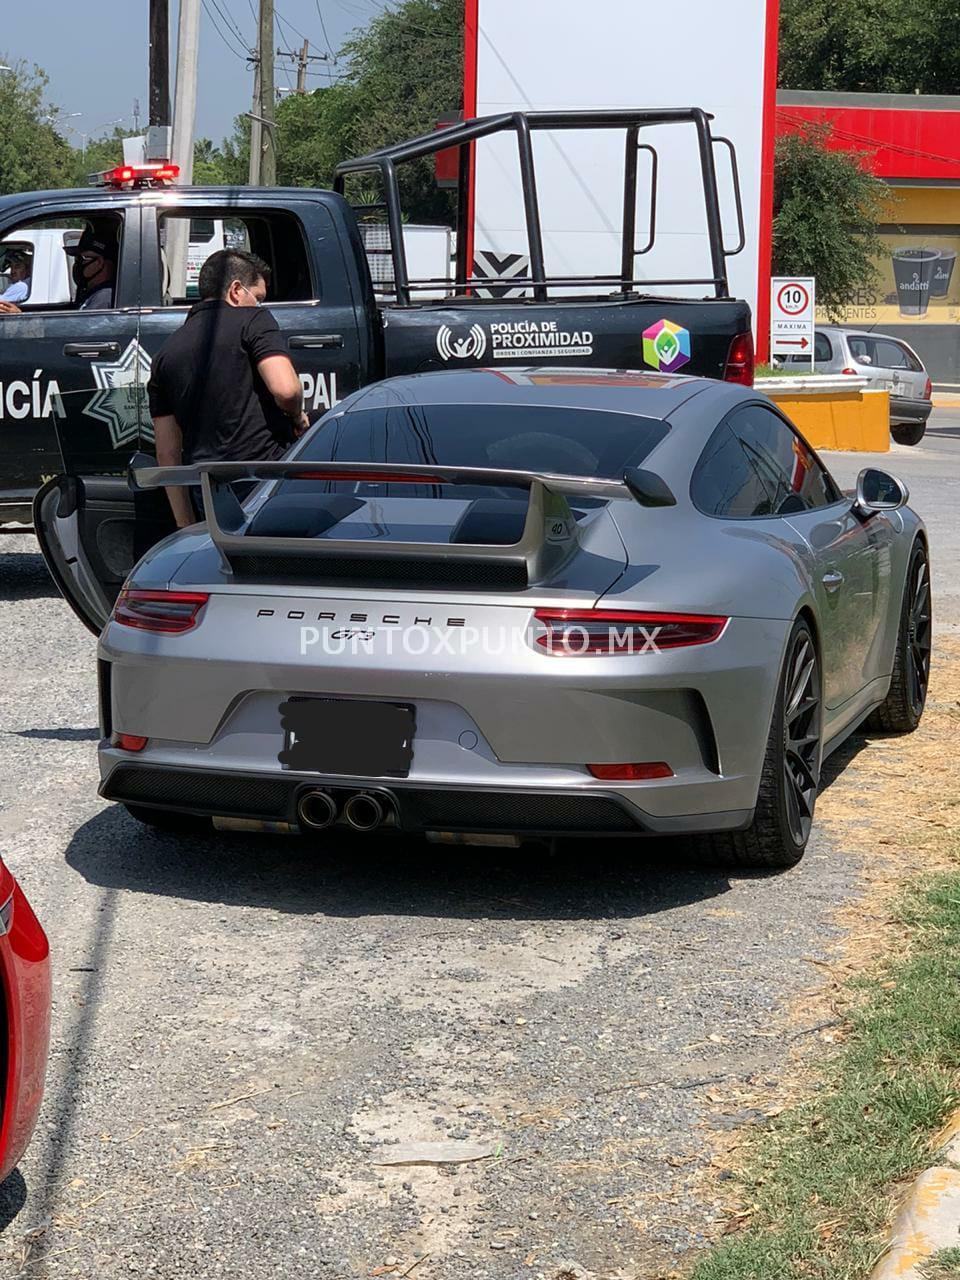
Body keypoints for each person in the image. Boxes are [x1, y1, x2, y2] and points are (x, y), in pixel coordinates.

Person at [147, 248, 309, 529]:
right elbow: (286, 389)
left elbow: (168, 455)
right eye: (257, 298)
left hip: (209, 492)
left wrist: (186, 527)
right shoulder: (254, 321)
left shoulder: (167, 352)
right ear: (236, 290)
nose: (258, 305)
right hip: (266, 480)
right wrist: (297, 418)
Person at [0, 224, 118, 315]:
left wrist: (21, 320)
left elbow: (77, 335)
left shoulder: (103, 298)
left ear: (99, 263)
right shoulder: (92, 294)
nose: (76, 264)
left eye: (81, 259)